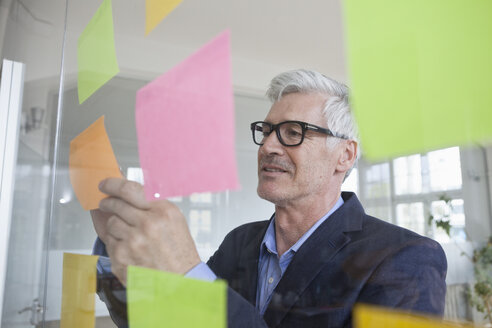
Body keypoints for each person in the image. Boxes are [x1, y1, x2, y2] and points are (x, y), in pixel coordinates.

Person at [92, 69, 447, 328]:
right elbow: (167, 321)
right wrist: (117, 244)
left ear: (345, 155)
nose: (269, 146)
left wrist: (189, 275)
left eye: (294, 132)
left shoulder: (406, 259)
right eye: (266, 131)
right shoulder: (241, 241)